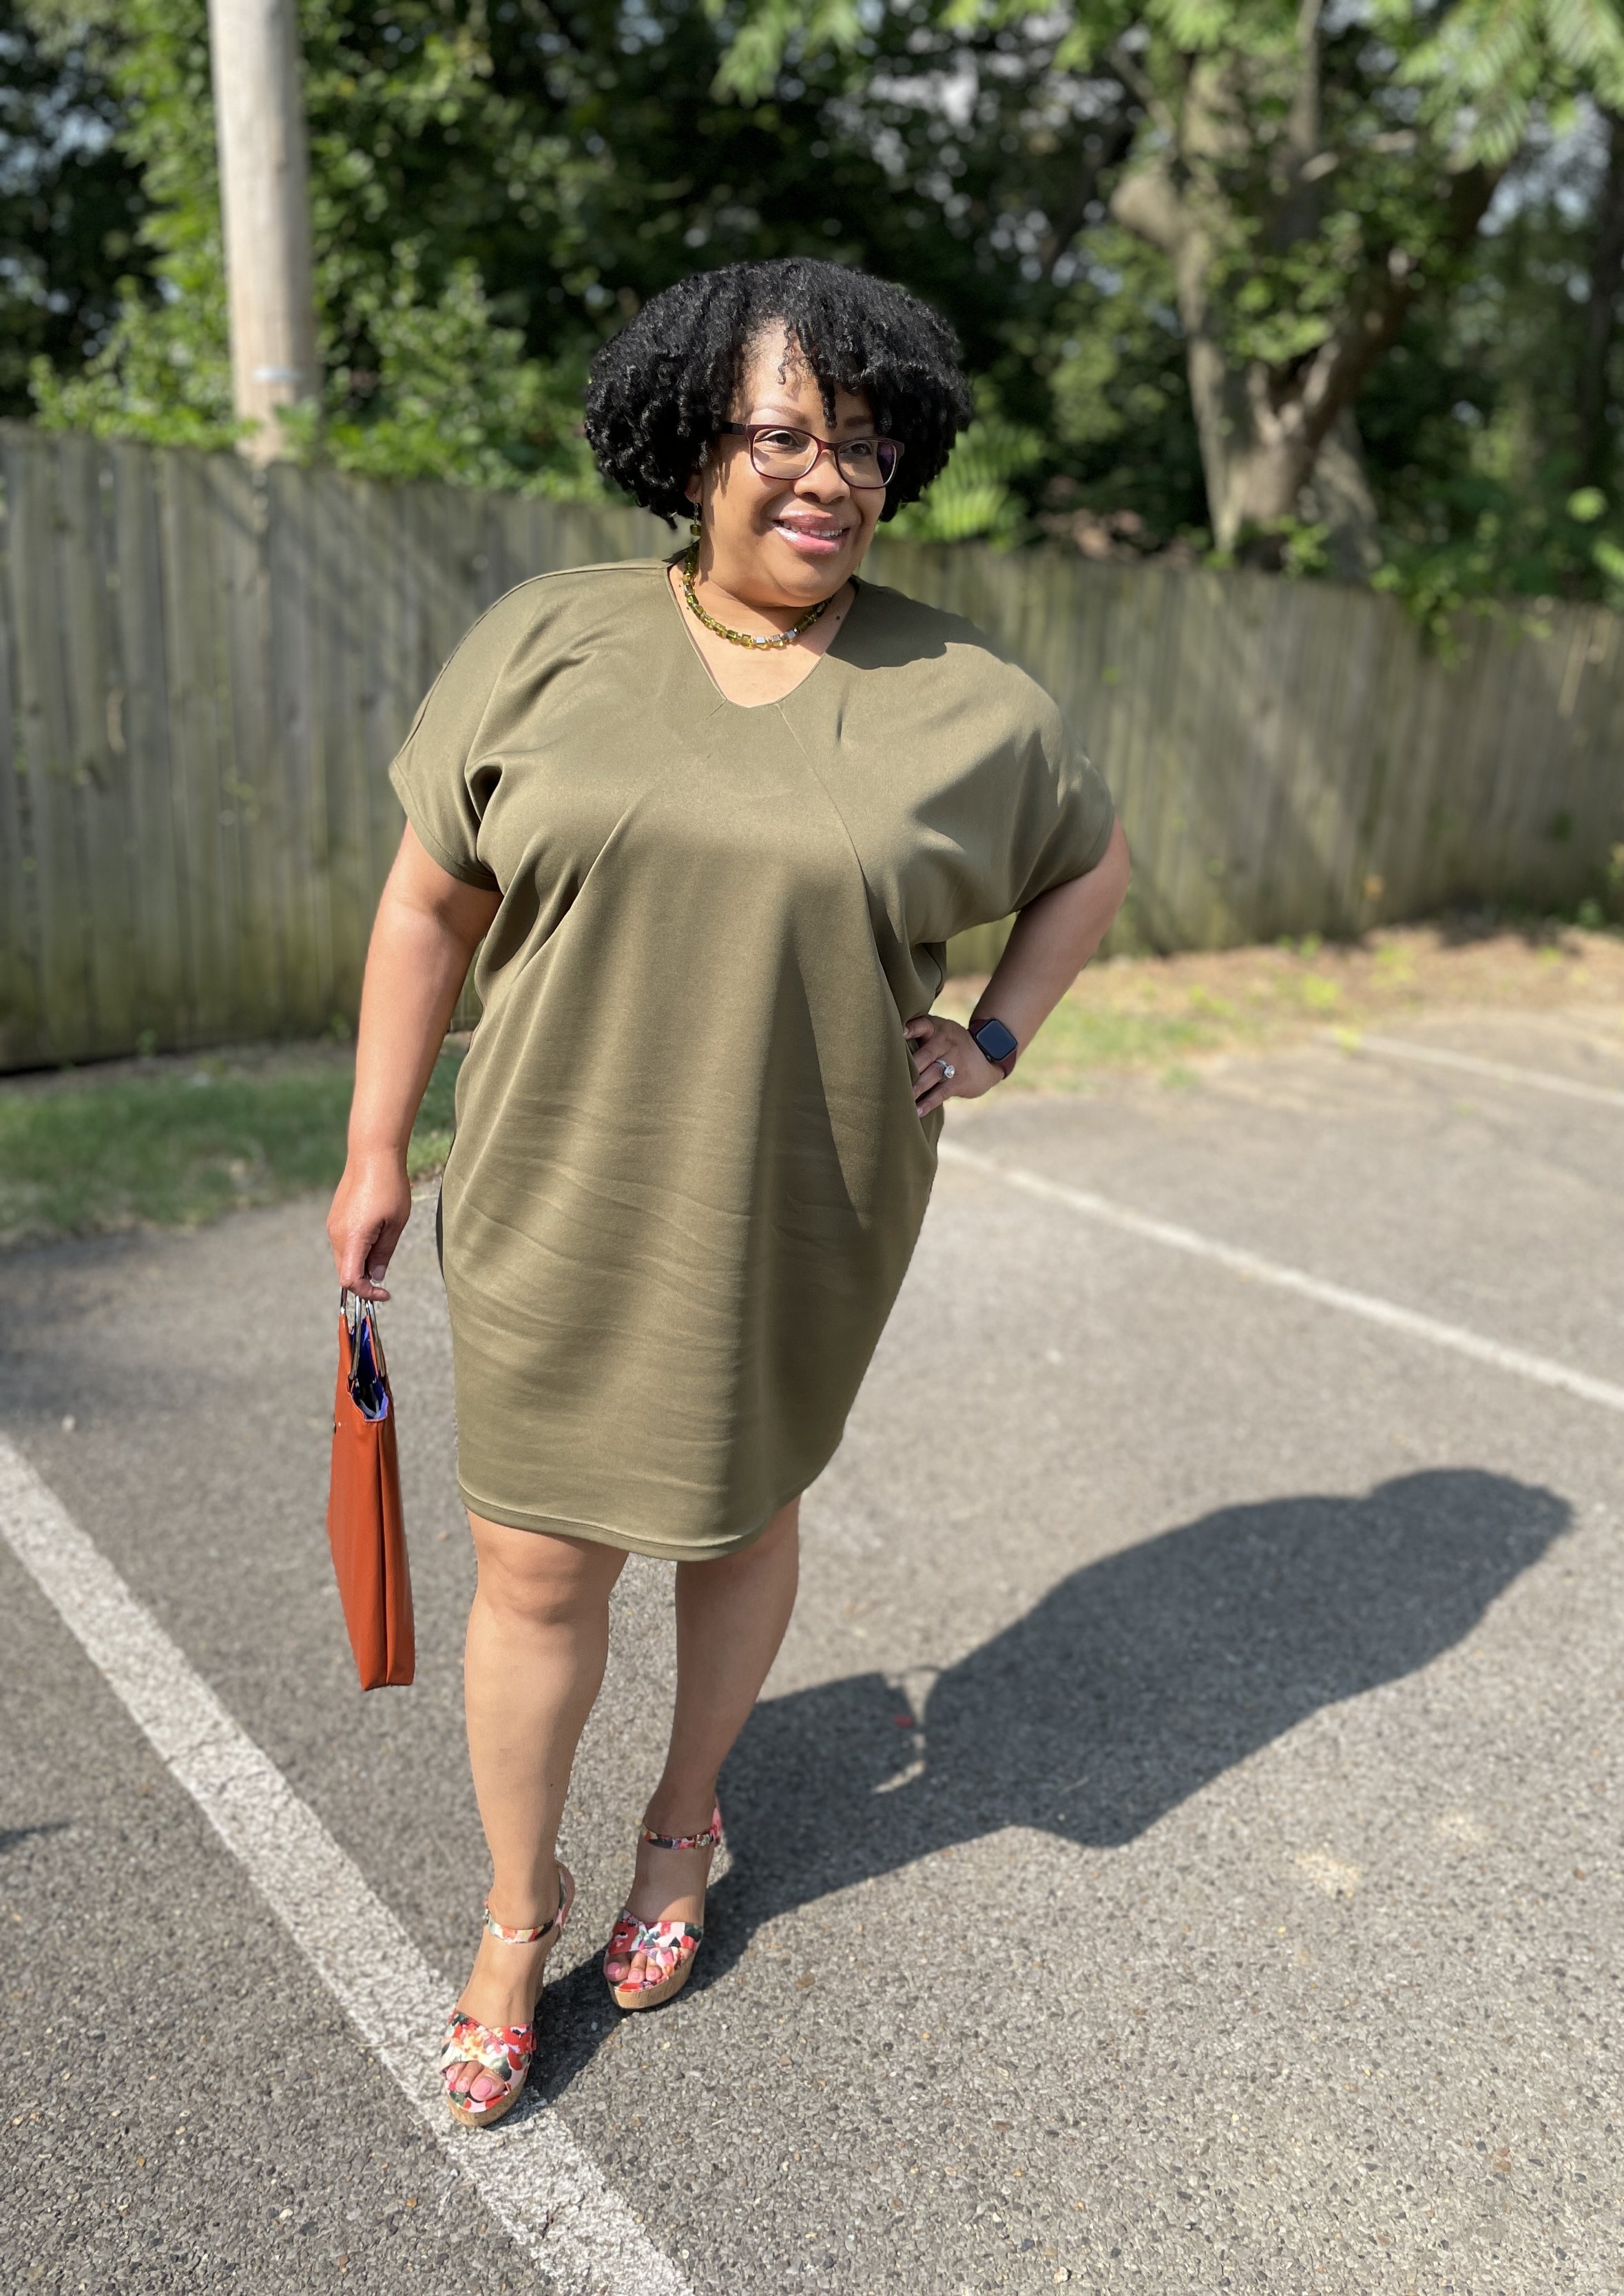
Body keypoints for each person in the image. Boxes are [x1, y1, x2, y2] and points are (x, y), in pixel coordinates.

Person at [325, 255, 1131, 2128]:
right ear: (693, 443)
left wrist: (995, 1040)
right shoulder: (548, 638)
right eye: (783, 433)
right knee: (536, 1563)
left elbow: (1086, 865)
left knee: (734, 1521)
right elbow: (429, 898)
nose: (826, 476)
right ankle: (515, 1915)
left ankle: (681, 1829)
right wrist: (372, 1145)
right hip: (553, 1185)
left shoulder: (968, 699)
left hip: (800, 1202)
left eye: (864, 443)